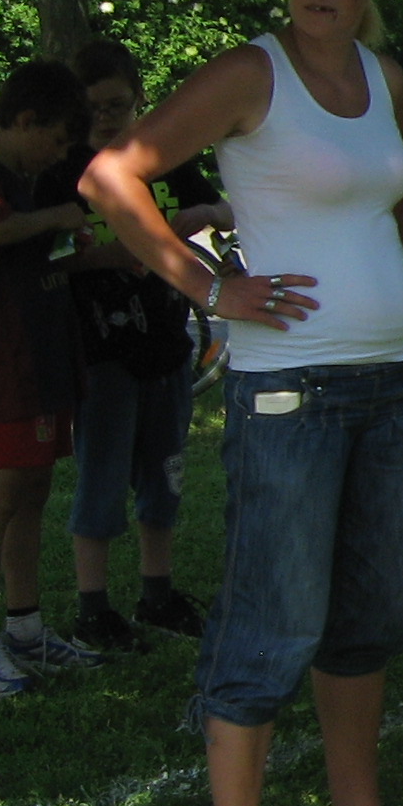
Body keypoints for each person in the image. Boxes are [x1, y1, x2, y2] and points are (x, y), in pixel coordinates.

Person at [83, 0, 403, 806]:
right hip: (289, 391)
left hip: (392, 384)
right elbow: (113, 176)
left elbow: (401, 204)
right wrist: (210, 288)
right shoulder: (251, 73)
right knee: (272, 621)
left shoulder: (386, 78)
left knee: (373, 615)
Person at [63, 38, 233, 654]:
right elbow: (48, 258)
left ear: (139, 100)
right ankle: (93, 606)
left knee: (165, 473)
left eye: (119, 105)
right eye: (94, 108)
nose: (107, 119)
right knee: (103, 474)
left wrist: (204, 212)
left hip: (165, 340)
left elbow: (226, 208)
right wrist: (115, 254)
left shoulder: (160, 161)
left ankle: (157, 593)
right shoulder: (65, 172)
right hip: (101, 350)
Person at [0, 59, 100, 696]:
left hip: (44, 362)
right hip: (6, 365)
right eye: (57, 140)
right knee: (1, 494)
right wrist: (59, 216)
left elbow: (41, 258)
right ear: (26, 119)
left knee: (34, 490)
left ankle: (26, 627)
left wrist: (86, 248)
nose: (58, 155)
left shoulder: (27, 184)